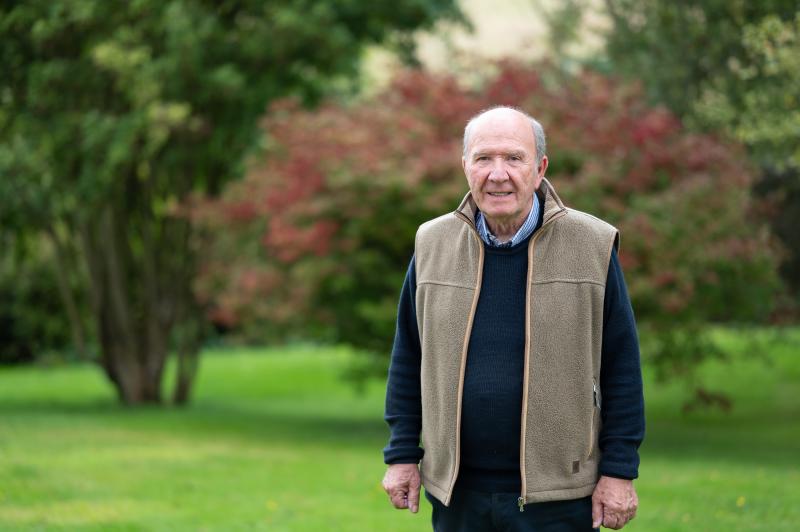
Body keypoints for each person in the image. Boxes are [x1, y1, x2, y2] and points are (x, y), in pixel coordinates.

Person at [381, 106, 645, 531]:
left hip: (559, 499)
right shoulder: (431, 244)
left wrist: (619, 471)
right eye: (483, 158)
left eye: (513, 158)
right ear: (465, 166)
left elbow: (622, 368)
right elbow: (408, 360)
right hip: (456, 495)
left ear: (540, 168)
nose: (497, 174)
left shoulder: (592, 244)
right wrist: (401, 456)